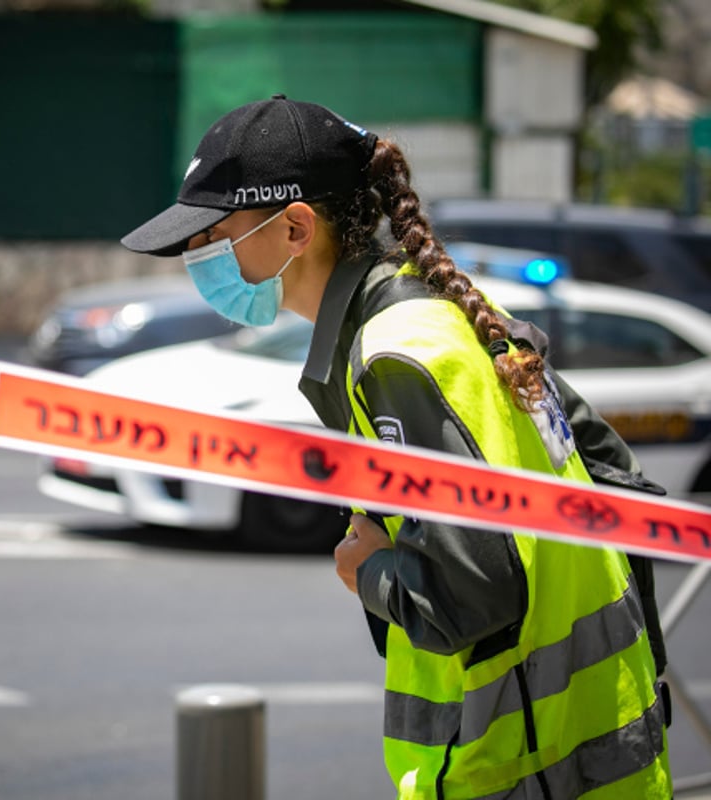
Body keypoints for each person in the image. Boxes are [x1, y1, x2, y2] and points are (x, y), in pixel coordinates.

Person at [121, 95, 671, 798]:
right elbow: (622, 491)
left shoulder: (396, 355)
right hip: (605, 748)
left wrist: (368, 568)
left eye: (212, 238)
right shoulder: (441, 313)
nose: (196, 259)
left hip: (524, 768)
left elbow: (472, 598)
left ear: (295, 228)